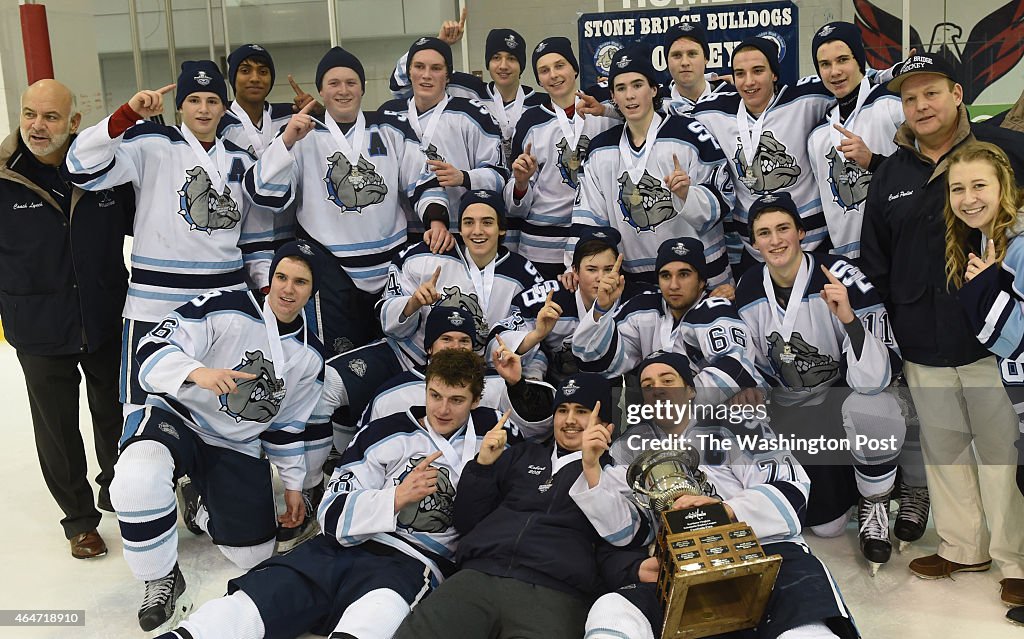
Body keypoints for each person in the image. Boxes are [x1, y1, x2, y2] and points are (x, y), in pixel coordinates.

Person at [152, 349, 523, 639]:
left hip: (413, 564)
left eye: (456, 400)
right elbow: (330, 513)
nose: (442, 409)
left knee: (369, 625)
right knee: (247, 606)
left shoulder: (497, 435)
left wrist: (496, 448)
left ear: (476, 401)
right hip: (338, 549)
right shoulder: (384, 432)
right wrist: (394, 498)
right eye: (435, 395)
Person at [860, 54, 1024, 605]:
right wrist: (891, 326)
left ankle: (1015, 557)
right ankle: (961, 547)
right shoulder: (891, 172)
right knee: (945, 452)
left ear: (957, 93)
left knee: (1002, 453)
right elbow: (874, 255)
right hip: (921, 339)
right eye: (910, 98)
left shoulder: (1003, 151)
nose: (921, 106)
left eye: (931, 93)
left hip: (989, 338)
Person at [110, 241, 326, 631]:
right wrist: (198, 373)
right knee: (135, 480)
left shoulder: (310, 355)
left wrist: (294, 486)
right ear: (269, 278)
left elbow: (286, 425)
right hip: (177, 418)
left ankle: (198, 505)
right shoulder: (225, 306)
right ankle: (161, 576)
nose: (287, 289)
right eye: (281, 277)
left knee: (253, 555)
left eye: (300, 281)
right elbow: (151, 347)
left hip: (234, 443)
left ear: (313, 290)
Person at [66, 61, 292, 413]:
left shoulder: (241, 159)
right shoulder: (150, 143)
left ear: (223, 107)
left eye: (213, 100)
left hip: (223, 303)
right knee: (143, 406)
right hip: (155, 303)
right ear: (180, 105)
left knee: (218, 406)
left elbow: (256, 235)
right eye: (194, 100)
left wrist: (264, 288)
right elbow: (81, 167)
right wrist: (126, 114)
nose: (203, 109)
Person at [586, 352, 860, 639]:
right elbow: (627, 531)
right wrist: (592, 470)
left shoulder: (735, 424)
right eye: (648, 385)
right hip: (680, 564)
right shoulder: (627, 448)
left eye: (668, 380)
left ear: (690, 390)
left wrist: (725, 510)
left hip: (764, 549)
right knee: (611, 609)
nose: (658, 389)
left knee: (804, 631)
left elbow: (792, 488)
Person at [392, 373, 650, 638]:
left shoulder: (618, 474)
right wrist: (482, 467)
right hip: (478, 576)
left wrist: (592, 468)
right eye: (562, 410)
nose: (569, 420)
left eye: (581, 411)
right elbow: (467, 521)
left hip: (555, 594)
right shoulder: (522, 454)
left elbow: (624, 539)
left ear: (606, 425)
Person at [735, 191, 906, 574]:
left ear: (800, 232)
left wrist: (848, 318)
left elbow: (878, 375)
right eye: (764, 233)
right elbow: (753, 365)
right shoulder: (747, 287)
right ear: (754, 241)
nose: (775, 240)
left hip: (840, 400)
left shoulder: (840, 274)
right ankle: (844, 488)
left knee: (873, 408)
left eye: (783, 229)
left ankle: (875, 501)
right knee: (826, 527)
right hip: (790, 410)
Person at [245, 46, 452, 356]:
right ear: (321, 91)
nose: (343, 91)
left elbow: (422, 176)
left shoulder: (388, 129)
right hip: (330, 272)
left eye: (351, 82)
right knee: (340, 360)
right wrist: (286, 141)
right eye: (334, 83)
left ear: (363, 88)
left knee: (393, 354)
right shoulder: (303, 134)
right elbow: (262, 194)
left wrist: (436, 219)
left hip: (390, 267)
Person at [0, 79, 133, 559]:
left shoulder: (103, 170)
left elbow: (146, 223)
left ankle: (118, 485)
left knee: (115, 413)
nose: (38, 125)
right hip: (37, 325)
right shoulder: (2, 178)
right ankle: (79, 521)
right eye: (30, 113)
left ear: (74, 123)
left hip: (104, 316)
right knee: (56, 429)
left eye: (51, 117)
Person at [571, 45, 735, 294]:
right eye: (621, 88)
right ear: (613, 96)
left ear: (654, 89)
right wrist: (576, 266)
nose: (629, 96)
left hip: (698, 278)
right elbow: (590, 219)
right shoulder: (599, 150)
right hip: (633, 283)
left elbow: (724, 198)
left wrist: (687, 195)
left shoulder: (690, 135)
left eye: (637, 85)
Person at [939, 141, 1024, 620]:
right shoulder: (990, 240)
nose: (968, 198)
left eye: (978, 186)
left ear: (1002, 187)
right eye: (958, 189)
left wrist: (987, 286)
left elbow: (1012, 337)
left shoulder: (1020, 243)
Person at [691, 36, 834, 274]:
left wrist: (898, 73)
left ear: (774, 74)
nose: (748, 82)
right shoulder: (712, 112)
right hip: (756, 248)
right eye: (740, 73)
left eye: (758, 71)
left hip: (814, 240)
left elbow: (852, 81)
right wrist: (610, 110)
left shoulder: (805, 99)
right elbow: (657, 113)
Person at [573, 236, 763, 407]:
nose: (673, 285)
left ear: (702, 281)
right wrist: (602, 309)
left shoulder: (715, 310)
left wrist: (676, 401)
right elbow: (596, 364)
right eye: (665, 276)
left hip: (722, 420)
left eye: (684, 274)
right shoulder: (643, 308)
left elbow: (736, 368)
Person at [378, 189, 543, 367]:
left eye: (487, 222)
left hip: (481, 372)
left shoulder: (523, 275)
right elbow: (388, 322)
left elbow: (523, 339)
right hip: (408, 359)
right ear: (460, 229)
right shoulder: (423, 256)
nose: (477, 231)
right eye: (468, 222)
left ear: (501, 228)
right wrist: (413, 304)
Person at [503, 36, 618, 278]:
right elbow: (516, 206)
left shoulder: (602, 109)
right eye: (544, 70)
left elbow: (646, 111)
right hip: (541, 248)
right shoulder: (530, 122)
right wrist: (521, 183)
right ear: (538, 80)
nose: (553, 75)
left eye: (559, 65)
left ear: (574, 68)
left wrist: (607, 110)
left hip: (595, 241)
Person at [379, 37, 507, 238]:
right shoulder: (388, 116)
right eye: (419, 67)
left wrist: (464, 177)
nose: (426, 75)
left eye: (436, 68)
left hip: (462, 233)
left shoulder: (473, 114)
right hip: (402, 235)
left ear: (448, 76)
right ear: (409, 73)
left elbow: (500, 177)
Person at [806, 22, 904, 259]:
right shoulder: (817, 135)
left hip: (900, 250)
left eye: (842, 60)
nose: (835, 71)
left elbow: (924, 171)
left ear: (859, 60)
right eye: (825, 64)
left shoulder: (892, 104)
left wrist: (874, 161)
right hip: (849, 262)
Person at [492, 226, 622, 384]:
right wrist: (537, 335)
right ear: (574, 271)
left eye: (609, 269)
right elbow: (495, 344)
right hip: (554, 397)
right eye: (591, 269)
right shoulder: (546, 298)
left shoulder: (635, 303)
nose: (600, 278)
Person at [660, 22, 730, 116]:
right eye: (676, 55)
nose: (685, 62)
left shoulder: (732, 96)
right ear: (667, 61)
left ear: (706, 58)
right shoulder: (654, 102)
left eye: (692, 54)